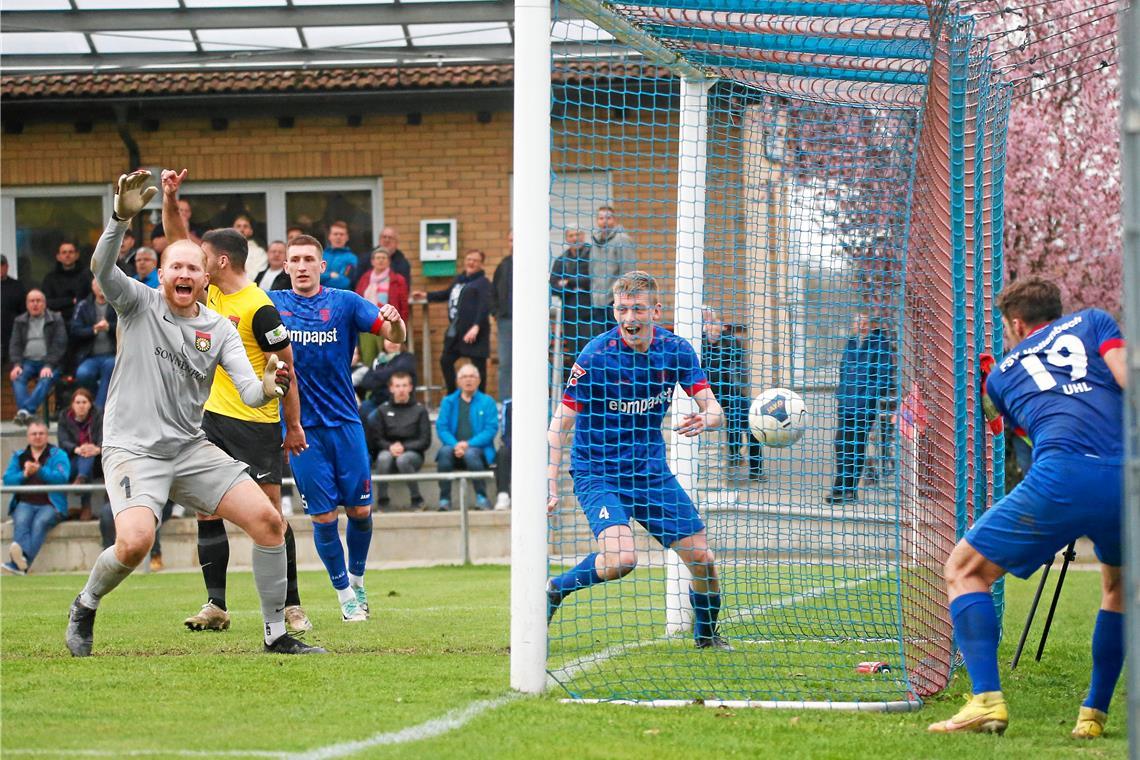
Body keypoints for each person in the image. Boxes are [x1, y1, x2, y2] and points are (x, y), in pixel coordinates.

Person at [64, 170, 323, 657]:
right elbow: (101, 270)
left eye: (191, 268)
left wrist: (270, 385)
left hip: (189, 448)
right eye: (174, 267)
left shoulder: (219, 328)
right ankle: (86, 603)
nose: (183, 274)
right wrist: (120, 218)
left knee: (270, 524)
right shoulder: (138, 304)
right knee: (136, 542)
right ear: (160, 276)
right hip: (133, 451)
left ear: (205, 277)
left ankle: (276, 635)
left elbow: (249, 392)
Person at [928, 277, 1127, 738]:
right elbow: (1124, 378)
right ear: (1056, 311)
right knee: (1118, 587)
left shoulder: (999, 375)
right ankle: (1093, 715)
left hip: (1060, 475)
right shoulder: (1095, 320)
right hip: (1124, 476)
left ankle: (986, 701)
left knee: (963, 570)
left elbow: (1020, 433)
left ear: (1016, 324)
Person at [160, 169, 312, 635]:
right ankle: (216, 605)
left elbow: (286, 368)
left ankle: (291, 605)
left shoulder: (257, 306)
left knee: (268, 514)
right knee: (208, 510)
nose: (193, 268)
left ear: (221, 262)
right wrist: (170, 198)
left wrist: (293, 425)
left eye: (202, 260)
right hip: (213, 420)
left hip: (257, 421)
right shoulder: (207, 296)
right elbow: (175, 243)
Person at [545, 271, 729, 649]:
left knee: (704, 560)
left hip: (650, 474)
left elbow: (714, 409)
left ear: (655, 310)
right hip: (599, 472)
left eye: (638, 309)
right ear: (615, 312)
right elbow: (558, 426)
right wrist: (550, 483)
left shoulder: (676, 350)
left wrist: (706, 418)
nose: (630, 318)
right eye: (623, 309)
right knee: (621, 560)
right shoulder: (595, 355)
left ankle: (707, 639)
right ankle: (555, 589)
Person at [270, 233, 407, 622]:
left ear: (321, 265)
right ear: (285, 266)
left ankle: (358, 579)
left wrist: (395, 323)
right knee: (324, 518)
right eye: (294, 260)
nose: (300, 266)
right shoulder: (273, 304)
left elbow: (392, 337)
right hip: (301, 430)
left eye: (308, 260)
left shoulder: (344, 302)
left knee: (360, 511)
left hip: (346, 422)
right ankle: (344, 594)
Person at [826, 311, 896, 505]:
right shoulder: (851, 343)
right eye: (858, 322)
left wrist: (867, 397)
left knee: (856, 445)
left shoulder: (879, 345)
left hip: (864, 405)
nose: (861, 325)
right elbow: (843, 371)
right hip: (846, 404)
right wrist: (841, 394)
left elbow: (883, 378)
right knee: (841, 445)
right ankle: (839, 487)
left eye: (864, 321)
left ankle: (849, 490)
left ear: (871, 323)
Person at [413, 249, 492, 394]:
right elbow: (446, 293)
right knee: (446, 360)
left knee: (479, 366)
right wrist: (426, 295)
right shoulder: (459, 280)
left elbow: (485, 306)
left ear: (481, 264)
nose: (471, 262)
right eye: (469, 259)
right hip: (456, 331)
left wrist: (476, 326)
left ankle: (479, 399)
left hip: (474, 332)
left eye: (475, 260)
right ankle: (453, 394)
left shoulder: (483, 283)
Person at [1, 421, 70, 575]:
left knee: (40, 522)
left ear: (47, 435)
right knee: (21, 521)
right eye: (34, 433)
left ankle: (20, 562)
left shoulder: (59, 455)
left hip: (51, 505)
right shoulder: (19, 456)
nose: (37, 437)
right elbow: (7, 480)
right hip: (25, 502)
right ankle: (22, 565)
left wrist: (40, 470)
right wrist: (24, 474)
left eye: (41, 433)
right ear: (28, 436)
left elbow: (62, 478)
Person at [702, 307, 763, 481]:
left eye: (712, 321)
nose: (710, 326)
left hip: (731, 391)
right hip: (706, 395)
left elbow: (740, 367)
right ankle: (735, 453)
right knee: (727, 420)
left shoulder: (729, 341)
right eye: (705, 323)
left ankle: (755, 469)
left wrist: (741, 388)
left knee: (751, 423)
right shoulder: (697, 343)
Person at [435, 363, 497, 511]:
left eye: (472, 376)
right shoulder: (448, 401)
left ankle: (482, 498)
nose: (468, 380)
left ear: (479, 380)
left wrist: (467, 444)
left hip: (478, 451)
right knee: (443, 452)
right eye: (464, 376)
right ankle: (444, 499)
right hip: (453, 449)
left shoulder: (487, 402)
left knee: (471, 453)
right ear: (458, 381)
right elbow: (442, 427)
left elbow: (491, 429)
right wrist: (456, 444)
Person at [366, 371, 431, 511]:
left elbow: (425, 440)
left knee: (403, 460)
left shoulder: (420, 410)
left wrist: (404, 447)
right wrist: (390, 447)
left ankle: (417, 500)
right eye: (397, 386)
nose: (401, 389)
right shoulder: (382, 410)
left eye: (404, 385)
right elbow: (376, 438)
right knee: (383, 458)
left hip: (413, 454)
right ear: (391, 388)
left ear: (410, 387)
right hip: (388, 451)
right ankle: (382, 502)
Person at [9, 289, 68, 425]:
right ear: (27, 304)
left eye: (38, 301)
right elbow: (15, 344)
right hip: (27, 362)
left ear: (45, 303)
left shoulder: (56, 319)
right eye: (31, 301)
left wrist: (49, 365)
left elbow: (59, 344)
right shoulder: (20, 321)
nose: (35, 304)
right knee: (17, 377)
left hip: (50, 362)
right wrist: (17, 364)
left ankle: (26, 411)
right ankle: (27, 412)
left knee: (46, 378)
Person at [355, 246, 409, 366]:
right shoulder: (365, 279)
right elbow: (357, 301)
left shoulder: (398, 280)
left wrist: (400, 325)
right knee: (368, 361)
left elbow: (404, 306)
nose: (380, 261)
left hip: (387, 325)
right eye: (378, 258)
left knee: (388, 360)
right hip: (367, 325)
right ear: (372, 261)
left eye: (384, 258)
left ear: (389, 261)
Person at [550, 229, 593, 379]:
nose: (575, 238)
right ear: (567, 239)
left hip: (591, 315)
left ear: (583, 235)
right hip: (569, 316)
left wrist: (569, 281)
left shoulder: (592, 255)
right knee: (575, 355)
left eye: (578, 234)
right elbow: (554, 286)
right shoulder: (561, 260)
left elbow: (592, 280)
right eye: (571, 235)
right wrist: (572, 287)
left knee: (591, 353)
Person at [70, 279, 118, 409]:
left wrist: (109, 327)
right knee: (83, 373)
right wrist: (93, 330)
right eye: (98, 284)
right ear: (93, 287)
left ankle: (98, 410)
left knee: (110, 368)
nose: (101, 287)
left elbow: (126, 327)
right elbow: (75, 330)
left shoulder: (117, 304)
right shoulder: (83, 306)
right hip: (90, 356)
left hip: (112, 355)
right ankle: (94, 406)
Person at [57, 388, 103, 521]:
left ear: (90, 404)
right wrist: (77, 449)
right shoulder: (64, 417)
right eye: (78, 402)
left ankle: (81, 479)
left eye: (85, 402)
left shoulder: (99, 415)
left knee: (88, 455)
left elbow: (105, 436)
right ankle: (85, 506)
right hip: (71, 459)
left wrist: (97, 449)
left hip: (97, 462)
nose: (81, 405)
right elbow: (63, 441)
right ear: (72, 404)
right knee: (85, 455)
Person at [587, 206, 635, 329]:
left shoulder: (622, 240)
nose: (604, 221)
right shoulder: (594, 242)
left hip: (615, 301)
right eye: (601, 218)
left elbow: (628, 271)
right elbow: (592, 271)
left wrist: (620, 296)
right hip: (597, 301)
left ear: (614, 220)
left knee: (617, 339)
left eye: (608, 218)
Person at [356, 338, 416, 422]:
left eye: (395, 340)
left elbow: (399, 369)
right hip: (376, 401)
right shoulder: (378, 360)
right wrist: (386, 377)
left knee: (373, 419)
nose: (392, 343)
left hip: (395, 403)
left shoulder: (407, 358)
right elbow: (366, 382)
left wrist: (376, 376)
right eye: (388, 340)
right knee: (361, 411)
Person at [42, 240, 93, 323]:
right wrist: (71, 301)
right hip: (57, 321)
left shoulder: (86, 276)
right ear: (58, 256)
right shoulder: (50, 278)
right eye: (64, 252)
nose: (67, 255)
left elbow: (90, 299)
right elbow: (47, 302)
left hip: (83, 320)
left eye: (71, 252)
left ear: (77, 255)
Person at [2, 255, 29, 365]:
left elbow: (24, 312)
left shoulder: (17, 286)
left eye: (2, 265)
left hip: (13, 337)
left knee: (13, 370)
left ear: (7, 267)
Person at [320, 221, 356, 290]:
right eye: (335, 234)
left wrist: (323, 278)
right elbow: (314, 278)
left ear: (347, 237)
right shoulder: (320, 256)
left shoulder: (352, 258)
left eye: (341, 234)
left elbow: (345, 283)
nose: (338, 237)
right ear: (329, 236)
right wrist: (330, 275)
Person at [232, 214, 267, 279]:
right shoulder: (224, 250)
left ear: (251, 231)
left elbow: (258, 275)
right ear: (232, 230)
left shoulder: (259, 252)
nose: (242, 229)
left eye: (245, 226)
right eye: (238, 226)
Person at [494, 398, 512, 511]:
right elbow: (506, 434)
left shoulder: (549, 402)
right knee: (502, 452)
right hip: (516, 445)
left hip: (543, 447)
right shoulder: (509, 404)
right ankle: (503, 494)